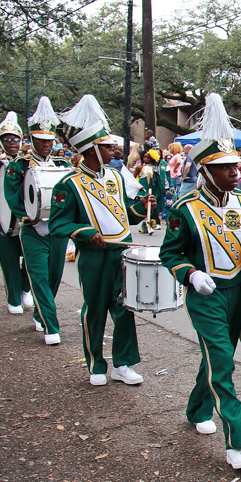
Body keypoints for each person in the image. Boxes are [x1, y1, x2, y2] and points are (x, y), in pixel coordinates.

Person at [160, 93, 241, 470]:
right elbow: (171, 254)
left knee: (218, 359)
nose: (236, 172)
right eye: (226, 168)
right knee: (222, 363)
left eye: (236, 166)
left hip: (237, 294)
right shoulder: (184, 210)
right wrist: (191, 274)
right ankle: (237, 443)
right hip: (205, 295)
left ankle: (196, 407)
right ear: (205, 171)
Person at [49, 94, 153, 387]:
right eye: (107, 146)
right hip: (93, 255)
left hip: (122, 252)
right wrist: (83, 233)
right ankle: (95, 363)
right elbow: (58, 223)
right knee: (94, 309)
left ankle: (122, 363)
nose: (114, 149)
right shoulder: (68, 184)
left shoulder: (117, 178)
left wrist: (142, 207)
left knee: (124, 309)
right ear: (92, 149)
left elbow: (125, 216)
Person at [3, 96, 71, 344]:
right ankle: (51, 327)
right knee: (39, 279)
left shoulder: (62, 165)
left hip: (56, 231)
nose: (46, 145)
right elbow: (12, 197)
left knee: (53, 278)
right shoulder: (18, 166)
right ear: (31, 140)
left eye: (49, 141)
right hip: (32, 231)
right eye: (41, 141)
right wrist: (26, 216)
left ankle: (42, 315)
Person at [0, 112, 33, 314]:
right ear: (0, 142)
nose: (11, 143)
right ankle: (13, 298)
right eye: (6, 139)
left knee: (32, 258)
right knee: (9, 261)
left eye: (15, 139)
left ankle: (25, 288)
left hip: (25, 218)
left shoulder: (28, 162)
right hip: (4, 222)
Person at [137, 150, 162, 234]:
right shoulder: (139, 167)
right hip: (142, 190)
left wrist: (156, 174)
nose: (145, 159)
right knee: (143, 207)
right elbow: (133, 179)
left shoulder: (153, 168)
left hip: (150, 190)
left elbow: (156, 181)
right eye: (144, 157)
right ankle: (144, 224)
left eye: (147, 157)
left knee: (150, 207)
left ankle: (148, 224)